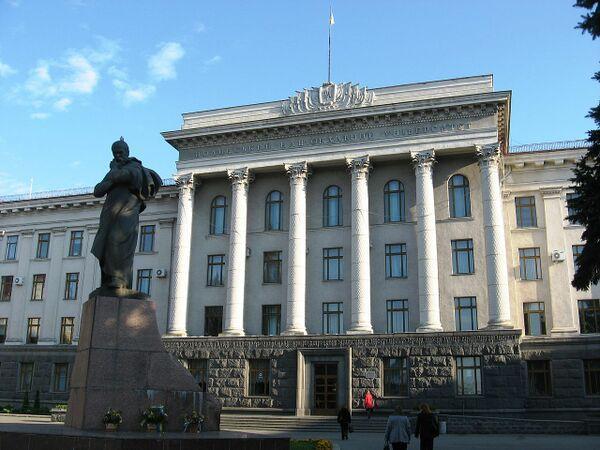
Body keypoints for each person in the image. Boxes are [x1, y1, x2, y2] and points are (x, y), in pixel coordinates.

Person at [91, 137, 162, 296]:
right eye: (115, 153)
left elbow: (125, 176)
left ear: (127, 152)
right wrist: (112, 176)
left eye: (120, 152)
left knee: (118, 243)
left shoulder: (135, 166)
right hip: (110, 216)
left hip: (127, 214)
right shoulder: (114, 170)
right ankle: (110, 280)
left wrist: (113, 175)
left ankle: (120, 279)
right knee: (106, 248)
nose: (118, 155)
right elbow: (98, 191)